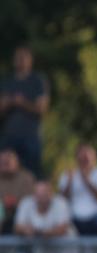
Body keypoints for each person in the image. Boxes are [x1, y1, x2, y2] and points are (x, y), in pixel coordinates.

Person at [0, 47, 49, 177]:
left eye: (23, 57)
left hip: (30, 136)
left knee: (32, 174)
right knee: (5, 174)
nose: (20, 61)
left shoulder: (37, 81)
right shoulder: (7, 82)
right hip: (9, 135)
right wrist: (11, 102)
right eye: (18, 58)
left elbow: (42, 109)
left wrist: (23, 103)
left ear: (30, 60)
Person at [58, 143, 97, 235]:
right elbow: (62, 200)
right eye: (82, 158)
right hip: (75, 219)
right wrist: (69, 183)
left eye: (87, 158)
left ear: (95, 158)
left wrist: (87, 181)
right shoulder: (68, 175)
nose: (84, 161)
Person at [0, 148, 35, 234]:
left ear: (16, 161)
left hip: (21, 213)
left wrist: (13, 202)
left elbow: (30, 199)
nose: (5, 164)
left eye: (8, 161)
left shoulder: (26, 177)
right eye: (2, 162)